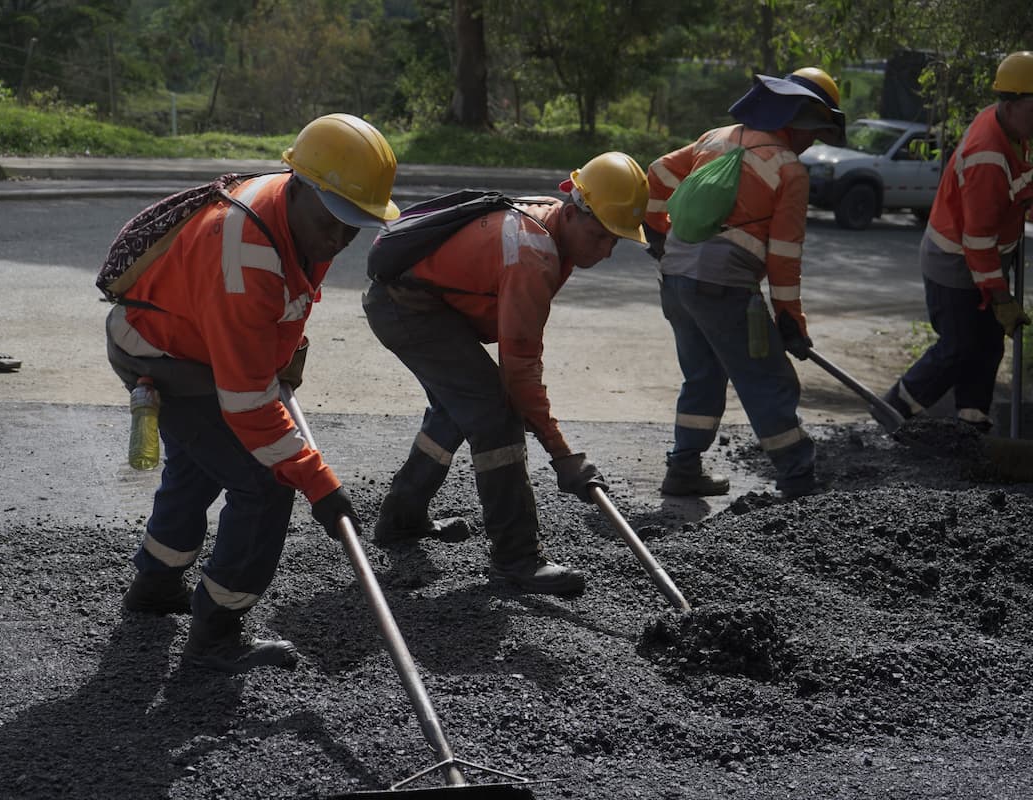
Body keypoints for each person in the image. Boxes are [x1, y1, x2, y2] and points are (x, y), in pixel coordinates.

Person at [105, 113, 400, 673]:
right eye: (333, 221)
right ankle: (216, 634)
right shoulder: (246, 253)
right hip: (162, 354)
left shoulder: (301, 217)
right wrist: (318, 482)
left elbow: (283, 309)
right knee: (264, 483)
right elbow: (246, 404)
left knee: (202, 462)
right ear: (300, 185)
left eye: (354, 227)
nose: (338, 240)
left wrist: (282, 360)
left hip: (187, 342)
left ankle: (156, 585)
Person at [362, 152, 650, 596]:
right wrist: (563, 454)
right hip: (407, 308)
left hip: (429, 304)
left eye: (615, 242)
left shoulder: (549, 220)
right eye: (599, 236)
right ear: (571, 212)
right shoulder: (532, 254)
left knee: (460, 408)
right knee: (496, 415)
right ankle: (516, 557)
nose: (606, 251)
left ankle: (402, 518)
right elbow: (520, 371)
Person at [643, 67, 846, 499]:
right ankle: (798, 477)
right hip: (724, 287)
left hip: (675, 278)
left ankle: (684, 468)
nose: (813, 142)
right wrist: (790, 321)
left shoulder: (715, 138)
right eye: (815, 132)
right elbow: (784, 257)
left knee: (703, 374)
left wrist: (659, 234)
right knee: (768, 378)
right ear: (799, 120)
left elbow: (657, 172)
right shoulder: (789, 170)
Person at [877, 51, 1033, 429]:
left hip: (987, 259)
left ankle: (970, 423)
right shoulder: (987, 156)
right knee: (958, 347)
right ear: (1010, 105)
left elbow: (1016, 189)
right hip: (955, 262)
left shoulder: (1012, 128)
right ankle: (892, 412)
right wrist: (1001, 298)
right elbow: (977, 240)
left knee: (988, 345)